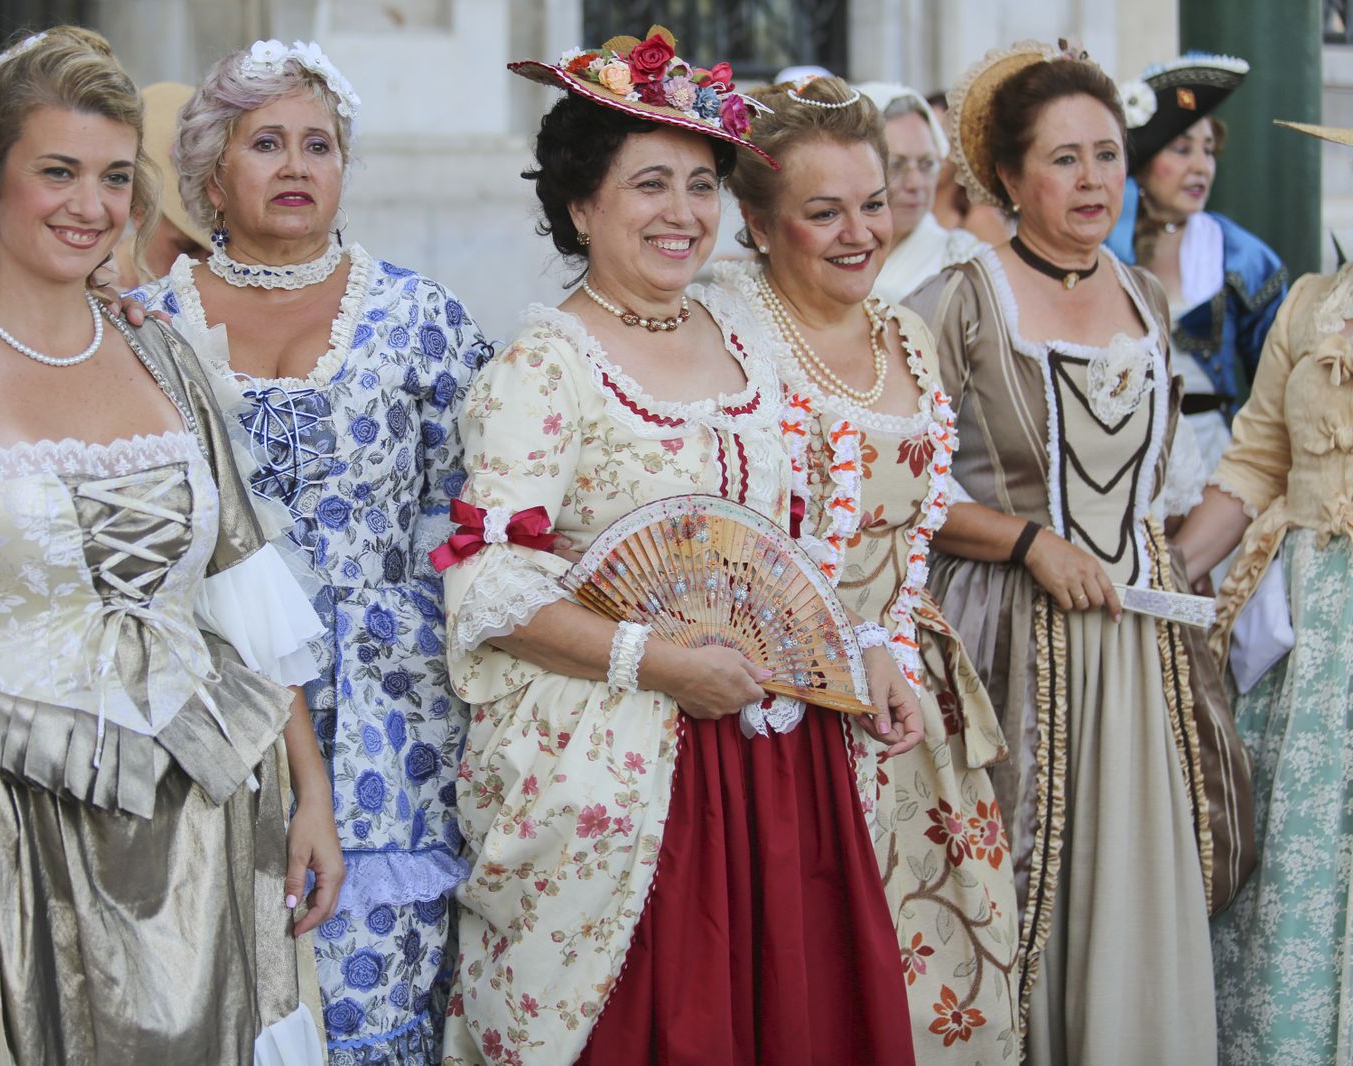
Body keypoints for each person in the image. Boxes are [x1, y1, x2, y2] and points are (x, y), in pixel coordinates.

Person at [0, 28, 338, 1063]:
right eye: (59, 172)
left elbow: (242, 585)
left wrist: (310, 790)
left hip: (200, 832)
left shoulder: (161, 348)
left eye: (117, 178)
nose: (91, 206)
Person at [441, 28, 922, 1065]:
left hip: (777, 754)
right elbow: (487, 589)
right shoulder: (543, 369)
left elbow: (797, 542)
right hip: (624, 763)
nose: (682, 213)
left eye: (701, 185)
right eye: (649, 184)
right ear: (581, 204)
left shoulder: (748, 335)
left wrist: (862, 645)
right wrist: (662, 665)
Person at [126, 38, 492, 1064]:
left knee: (375, 1000)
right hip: (209, 695)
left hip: (385, 721)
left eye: (319, 145)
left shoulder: (422, 319)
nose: (296, 166)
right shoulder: (147, 326)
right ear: (209, 174)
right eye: (266, 144)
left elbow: (470, 522)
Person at [904, 40, 1248, 1064]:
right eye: (1062, 158)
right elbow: (897, 489)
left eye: (1105, 154)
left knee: (1148, 867)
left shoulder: (1142, 295)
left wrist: (1184, 569)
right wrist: (1024, 541)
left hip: (1140, 651)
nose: (1091, 179)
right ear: (1007, 177)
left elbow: (1171, 480)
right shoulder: (955, 305)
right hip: (1015, 642)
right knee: (1021, 873)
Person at [712, 74, 1019, 1060]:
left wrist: (886, 640)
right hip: (777, 708)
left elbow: (911, 529)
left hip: (905, 701)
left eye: (874, 203)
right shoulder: (727, 336)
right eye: (823, 211)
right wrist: (839, 646)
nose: (860, 231)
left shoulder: (908, 335)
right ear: (758, 226)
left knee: (939, 979)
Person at [1175, 116, 1353, 1066]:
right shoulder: (1313, 304)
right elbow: (1253, 463)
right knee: (1293, 865)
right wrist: (1168, 574)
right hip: (1314, 635)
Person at [1106, 55, 1287, 476]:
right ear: (1145, 163)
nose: (1201, 166)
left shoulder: (1240, 255)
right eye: (1182, 149)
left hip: (1213, 458)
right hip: (1118, 461)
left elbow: (1279, 380)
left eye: (1209, 150)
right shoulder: (1104, 249)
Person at [856, 81, 984, 303]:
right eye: (896, 165)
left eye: (927, 164)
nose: (915, 183)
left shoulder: (963, 259)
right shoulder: (827, 255)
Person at [107, 80, 206, 290]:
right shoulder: (87, 294)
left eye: (222, 257)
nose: (203, 268)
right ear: (139, 208)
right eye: (188, 250)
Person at [926, 89, 1010, 248]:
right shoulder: (908, 211)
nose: (935, 152)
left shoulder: (979, 218)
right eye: (929, 139)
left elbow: (1007, 270)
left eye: (943, 139)